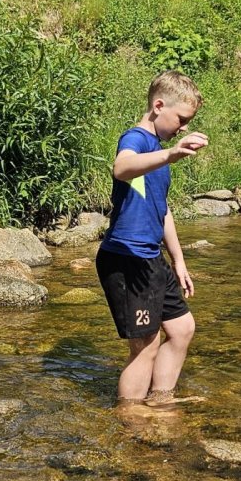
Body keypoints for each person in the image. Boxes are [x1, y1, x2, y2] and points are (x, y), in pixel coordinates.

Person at [96, 70, 207, 406]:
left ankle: (160, 399)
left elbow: (162, 209)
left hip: (150, 257)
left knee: (182, 329)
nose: (183, 128)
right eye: (181, 119)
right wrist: (170, 154)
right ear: (159, 106)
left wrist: (179, 260)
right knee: (146, 344)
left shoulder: (156, 151)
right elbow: (122, 167)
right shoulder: (137, 139)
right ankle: (130, 415)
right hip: (126, 257)